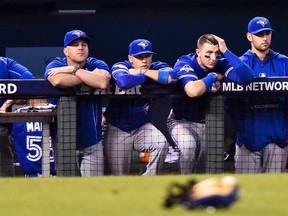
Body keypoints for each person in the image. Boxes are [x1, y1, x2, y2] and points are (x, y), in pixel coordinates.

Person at [168, 34, 254, 174]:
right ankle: (185, 186)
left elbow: (248, 78)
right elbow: (193, 91)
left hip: (206, 124)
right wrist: (213, 76)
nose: (213, 58)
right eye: (208, 54)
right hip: (180, 121)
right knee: (188, 146)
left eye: (217, 53)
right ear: (198, 52)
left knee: (204, 168)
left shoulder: (220, 62)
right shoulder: (185, 62)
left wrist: (225, 51)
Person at [103, 38, 177, 175]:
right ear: (130, 58)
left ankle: (147, 182)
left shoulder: (158, 65)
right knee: (119, 177)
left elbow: (172, 78)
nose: (144, 60)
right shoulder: (121, 65)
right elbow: (123, 81)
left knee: (161, 143)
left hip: (142, 127)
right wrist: (153, 76)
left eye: (147, 56)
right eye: (139, 57)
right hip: (117, 128)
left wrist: (143, 72)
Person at [226, 16, 288, 173]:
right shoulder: (240, 64)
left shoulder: (284, 63)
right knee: (246, 191)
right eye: (260, 34)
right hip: (248, 141)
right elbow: (230, 104)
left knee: (274, 192)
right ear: (249, 36)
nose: (265, 38)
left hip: (278, 141)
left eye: (268, 33)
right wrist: (243, 129)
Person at [45, 29, 111, 176]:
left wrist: (72, 70)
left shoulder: (97, 63)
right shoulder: (55, 64)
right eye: (75, 44)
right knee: (67, 189)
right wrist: (88, 77)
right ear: (66, 51)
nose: (80, 47)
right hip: (64, 140)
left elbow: (101, 82)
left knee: (93, 190)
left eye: (84, 44)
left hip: (92, 140)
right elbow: (58, 80)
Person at [0, 57, 35, 177]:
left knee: (4, 178)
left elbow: (29, 81)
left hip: (0, 126)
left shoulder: (5, 64)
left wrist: (7, 104)